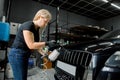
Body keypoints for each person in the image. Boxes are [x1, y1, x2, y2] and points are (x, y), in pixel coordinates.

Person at [8, 9, 53, 80]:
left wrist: (44, 53)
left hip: (24, 54)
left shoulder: (37, 29)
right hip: (17, 54)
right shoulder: (28, 25)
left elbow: (37, 46)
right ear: (40, 17)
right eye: (45, 21)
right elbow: (31, 45)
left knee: (23, 77)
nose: (46, 24)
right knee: (20, 78)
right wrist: (47, 43)